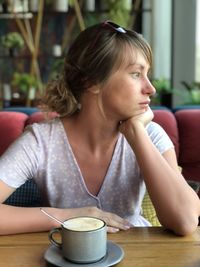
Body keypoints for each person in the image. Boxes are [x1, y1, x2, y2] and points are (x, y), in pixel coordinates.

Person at [0, 21, 199, 236]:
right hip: (67, 256)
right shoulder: (41, 142)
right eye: (135, 74)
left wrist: (137, 135)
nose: (150, 88)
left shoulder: (151, 134)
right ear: (92, 82)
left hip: (141, 254)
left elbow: (186, 221)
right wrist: (68, 216)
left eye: (147, 74)